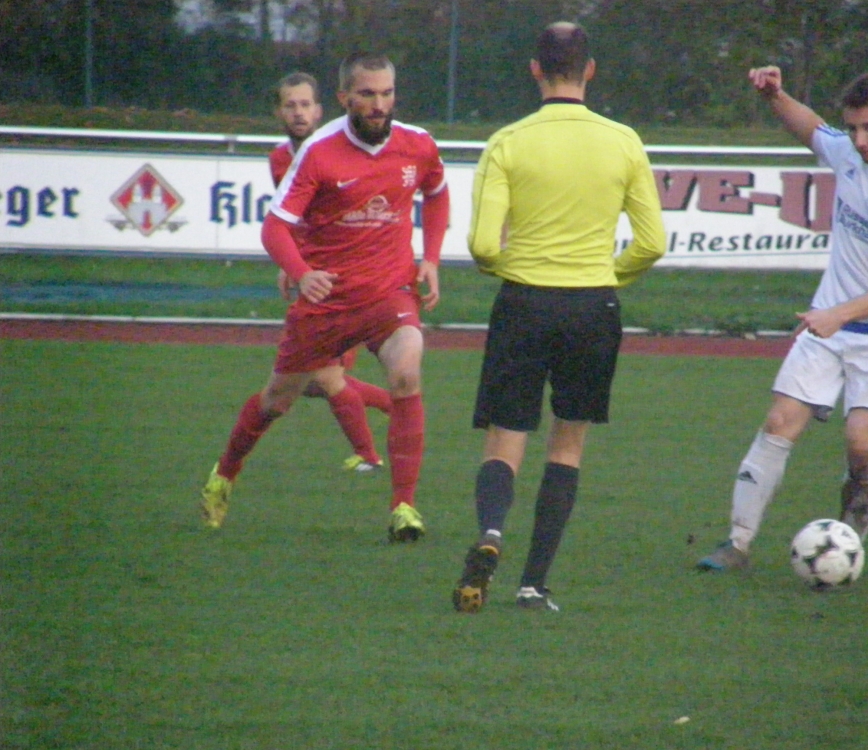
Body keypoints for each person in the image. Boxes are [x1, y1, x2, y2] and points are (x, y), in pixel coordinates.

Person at [696, 66, 868, 571]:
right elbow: (810, 126)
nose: (860, 140)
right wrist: (775, 95)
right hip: (828, 323)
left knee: (863, 441)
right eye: (853, 128)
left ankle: (847, 546)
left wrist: (839, 314)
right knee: (779, 422)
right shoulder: (849, 153)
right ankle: (737, 544)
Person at [451, 22, 666, 613]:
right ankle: (532, 585)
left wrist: (512, 266)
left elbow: (483, 245)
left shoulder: (507, 142)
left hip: (525, 301)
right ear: (590, 70)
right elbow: (652, 242)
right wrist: (606, 274)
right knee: (567, 443)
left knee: (506, 436)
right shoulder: (624, 142)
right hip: (592, 306)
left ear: (535, 70)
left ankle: (491, 532)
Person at [200, 52, 450, 542]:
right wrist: (301, 271)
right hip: (328, 302)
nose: (379, 105)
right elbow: (275, 227)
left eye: (387, 94)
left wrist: (433, 258)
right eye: (367, 94)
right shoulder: (318, 152)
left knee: (406, 372)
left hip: (390, 293)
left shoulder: (417, 144)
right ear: (344, 98)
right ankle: (224, 473)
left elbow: (437, 192)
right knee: (277, 400)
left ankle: (404, 508)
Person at [269, 71, 392, 474]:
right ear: (278, 112)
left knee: (321, 376)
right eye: (290, 105)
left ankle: (369, 455)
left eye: (305, 104)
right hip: (312, 276)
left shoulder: (338, 150)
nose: (298, 112)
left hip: (343, 279)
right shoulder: (279, 159)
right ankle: (396, 407)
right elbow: (292, 218)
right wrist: (293, 264)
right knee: (310, 382)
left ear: (320, 110)